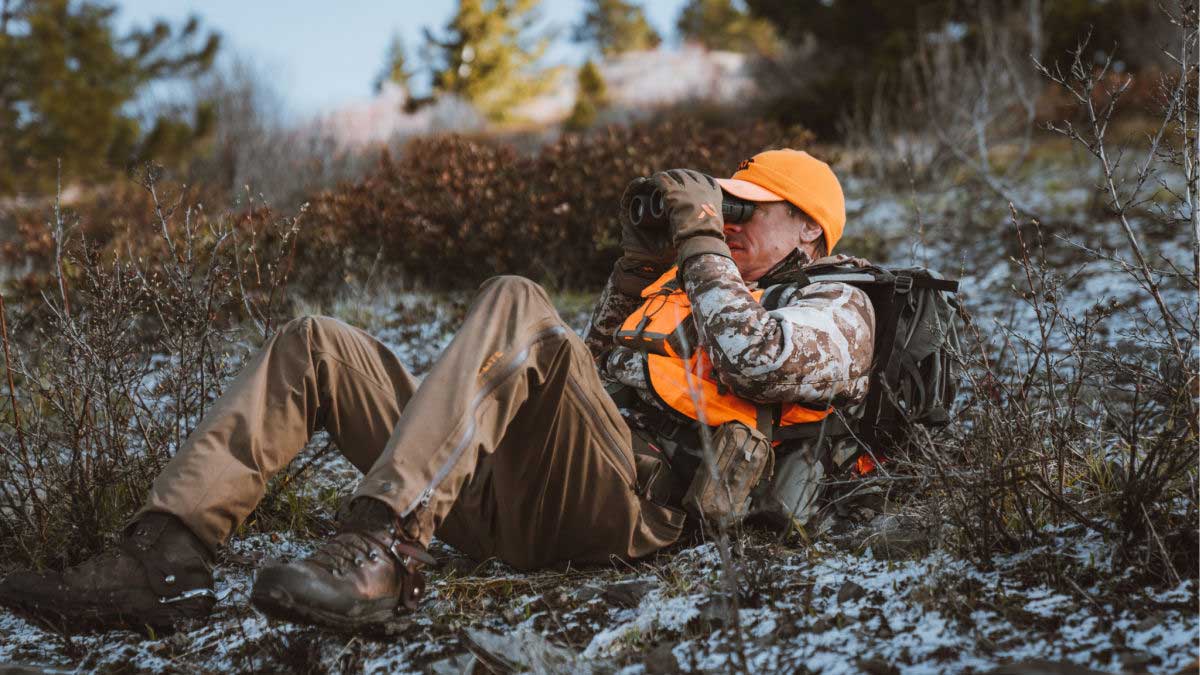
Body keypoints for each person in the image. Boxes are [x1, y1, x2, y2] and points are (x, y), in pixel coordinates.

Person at [0, 149, 875, 631]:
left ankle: (380, 549)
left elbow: (757, 360)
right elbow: (598, 368)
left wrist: (696, 244)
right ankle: (162, 560)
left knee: (518, 302)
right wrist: (646, 259)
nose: (723, 220)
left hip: (634, 510)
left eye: (744, 210)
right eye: (721, 203)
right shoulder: (691, 279)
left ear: (809, 229)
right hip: (517, 486)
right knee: (320, 345)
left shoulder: (839, 301)